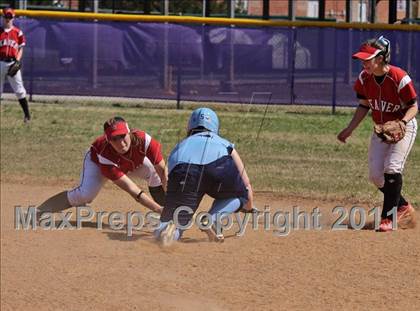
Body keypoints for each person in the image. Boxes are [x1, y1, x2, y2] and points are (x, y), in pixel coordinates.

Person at [337, 36, 418, 232]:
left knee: (392, 167)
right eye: (362, 59)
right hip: (381, 130)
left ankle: (387, 218)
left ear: (380, 58)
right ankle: (403, 206)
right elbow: (364, 105)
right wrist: (349, 129)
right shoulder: (364, 79)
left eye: (367, 59)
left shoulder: (399, 77)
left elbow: (413, 107)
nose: (363, 63)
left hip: (403, 127)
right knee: (375, 176)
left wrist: (402, 122)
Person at [154, 107, 255, 245]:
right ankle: (211, 219)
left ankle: (168, 231)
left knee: (176, 220)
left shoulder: (180, 146)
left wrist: (175, 205)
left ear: (189, 127)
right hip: (218, 166)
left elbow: (169, 179)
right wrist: (247, 206)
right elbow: (246, 184)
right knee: (239, 194)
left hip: (184, 170)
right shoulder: (224, 143)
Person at [36, 116, 167, 217]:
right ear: (108, 140)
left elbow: (163, 173)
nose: (120, 143)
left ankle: (167, 212)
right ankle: (39, 212)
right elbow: (132, 189)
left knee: (153, 172)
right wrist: (157, 210)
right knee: (85, 195)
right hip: (97, 163)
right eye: (114, 139)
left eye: (122, 136)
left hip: (129, 162)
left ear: (129, 132)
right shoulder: (105, 154)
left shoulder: (145, 141)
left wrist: (171, 203)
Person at [0, 8, 31, 123]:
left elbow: (20, 49)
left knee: (19, 91)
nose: (8, 19)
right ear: (3, 17)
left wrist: (17, 61)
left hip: (12, 62)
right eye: (6, 17)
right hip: (0, 62)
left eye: (10, 17)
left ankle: (27, 115)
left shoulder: (18, 32)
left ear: (13, 18)